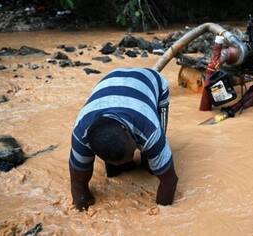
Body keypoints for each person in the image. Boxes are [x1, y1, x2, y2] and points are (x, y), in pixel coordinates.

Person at [69, 68, 178, 211]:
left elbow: (170, 180)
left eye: (132, 152)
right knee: (115, 172)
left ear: (128, 131)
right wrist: (82, 211)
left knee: (150, 165)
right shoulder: (80, 135)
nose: (132, 156)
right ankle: (118, 165)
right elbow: (78, 182)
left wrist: (162, 216)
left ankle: (144, 160)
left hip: (150, 80)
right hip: (110, 82)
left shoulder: (149, 129)